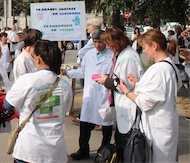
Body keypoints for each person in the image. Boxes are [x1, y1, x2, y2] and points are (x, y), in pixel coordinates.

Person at [117, 29, 181, 162]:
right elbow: (161, 90)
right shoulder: (171, 66)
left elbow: (145, 103)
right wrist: (139, 84)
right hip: (166, 125)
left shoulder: (158, 70)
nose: (144, 51)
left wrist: (126, 91)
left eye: (145, 47)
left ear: (154, 46)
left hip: (157, 129)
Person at [5, 40, 72, 163]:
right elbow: (66, 110)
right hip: (56, 150)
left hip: (29, 148)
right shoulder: (65, 85)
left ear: (39, 59)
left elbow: (8, 104)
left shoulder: (27, 80)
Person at [93, 27, 144, 160]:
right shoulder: (121, 55)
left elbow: (124, 85)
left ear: (117, 42)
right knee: (121, 142)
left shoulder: (128, 57)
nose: (108, 47)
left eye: (109, 44)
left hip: (129, 106)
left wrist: (107, 81)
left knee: (127, 146)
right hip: (123, 106)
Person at [62, 30, 114, 160]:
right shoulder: (89, 55)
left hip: (104, 96)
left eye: (100, 42)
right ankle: (83, 150)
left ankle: (104, 152)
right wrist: (68, 73)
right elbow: (83, 72)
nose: (97, 45)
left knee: (106, 127)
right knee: (85, 126)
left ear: (106, 42)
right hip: (90, 95)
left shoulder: (112, 56)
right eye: (95, 42)